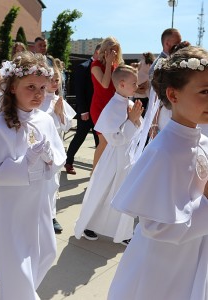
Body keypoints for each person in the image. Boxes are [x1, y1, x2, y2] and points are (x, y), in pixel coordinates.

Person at [108, 46, 208, 300]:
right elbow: (155, 226)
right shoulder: (163, 151)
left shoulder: (202, 141)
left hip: (191, 254)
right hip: (160, 265)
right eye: (205, 92)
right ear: (173, 95)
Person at [0, 51, 66, 300]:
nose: (38, 93)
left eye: (43, 87)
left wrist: (49, 158)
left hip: (39, 199)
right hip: (12, 202)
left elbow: (58, 156)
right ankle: (19, 294)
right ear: (13, 87)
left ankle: (14, 290)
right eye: (31, 87)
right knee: (16, 257)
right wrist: (24, 163)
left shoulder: (45, 119)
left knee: (47, 251)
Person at [75, 65, 143, 242]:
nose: (137, 86)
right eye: (133, 83)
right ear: (121, 84)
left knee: (124, 194)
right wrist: (131, 121)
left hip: (126, 157)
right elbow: (114, 139)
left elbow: (137, 127)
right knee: (103, 192)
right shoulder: (112, 107)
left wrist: (135, 121)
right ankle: (89, 225)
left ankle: (123, 232)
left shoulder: (129, 103)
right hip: (113, 158)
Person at [39, 63, 76, 234]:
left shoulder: (59, 101)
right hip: (40, 150)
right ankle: (39, 214)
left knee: (54, 183)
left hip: (57, 148)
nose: (54, 83)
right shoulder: (38, 100)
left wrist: (60, 113)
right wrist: (52, 112)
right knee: (41, 183)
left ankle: (52, 215)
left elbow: (67, 126)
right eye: (51, 79)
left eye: (57, 80)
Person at [64, 44, 101, 175]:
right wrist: (83, 111)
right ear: (98, 52)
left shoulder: (104, 69)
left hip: (99, 112)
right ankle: (68, 162)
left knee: (99, 141)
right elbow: (79, 91)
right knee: (79, 137)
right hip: (86, 112)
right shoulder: (83, 67)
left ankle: (98, 168)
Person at [90, 37, 123, 170]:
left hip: (112, 107)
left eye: (116, 51)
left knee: (112, 142)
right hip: (99, 107)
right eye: (111, 51)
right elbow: (104, 84)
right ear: (105, 51)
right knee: (103, 142)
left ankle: (105, 172)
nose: (113, 54)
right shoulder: (96, 65)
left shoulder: (116, 66)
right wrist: (109, 64)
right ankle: (94, 173)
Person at [133, 52, 156, 117]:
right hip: (145, 95)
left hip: (139, 96)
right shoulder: (152, 64)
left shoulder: (143, 63)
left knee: (139, 116)